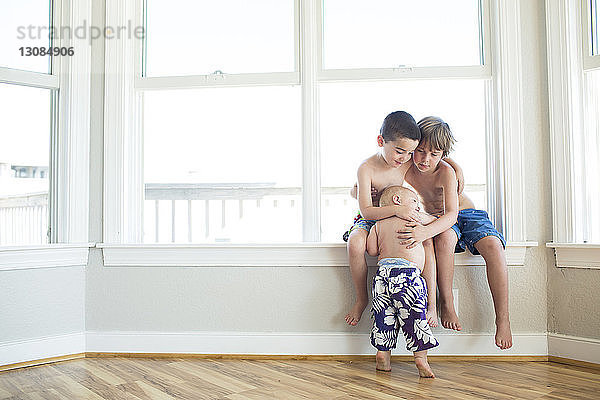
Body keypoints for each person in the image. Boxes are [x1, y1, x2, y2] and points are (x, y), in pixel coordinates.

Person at [405, 116, 512, 350]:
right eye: (420, 151)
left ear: (443, 154)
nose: (425, 159)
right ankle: (447, 301)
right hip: (440, 220)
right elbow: (384, 166)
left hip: (465, 213)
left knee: (494, 246)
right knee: (444, 238)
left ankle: (503, 318)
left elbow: (453, 214)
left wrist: (425, 232)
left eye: (434, 154)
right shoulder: (406, 167)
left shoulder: (445, 171)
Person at [344, 111, 423, 326]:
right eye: (399, 151)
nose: (405, 158)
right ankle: (361, 299)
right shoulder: (366, 168)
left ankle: (426, 297)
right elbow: (367, 211)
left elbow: (434, 156)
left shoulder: (407, 162)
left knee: (421, 237)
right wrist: (396, 211)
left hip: (395, 219)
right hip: (372, 219)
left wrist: (457, 168)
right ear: (381, 141)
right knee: (355, 242)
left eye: (410, 153)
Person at [366, 185, 439, 377]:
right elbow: (436, 225)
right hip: (408, 277)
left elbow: (372, 251)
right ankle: (421, 359)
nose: (417, 206)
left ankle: (382, 355)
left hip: (382, 278)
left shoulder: (378, 225)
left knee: (384, 318)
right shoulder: (414, 221)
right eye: (414, 201)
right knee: (416, 319)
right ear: (397, 201)